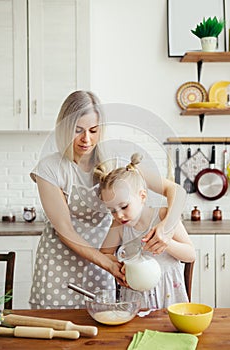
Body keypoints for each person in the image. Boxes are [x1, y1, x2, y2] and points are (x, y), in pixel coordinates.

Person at [29, 90, 187, 309]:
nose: (87, 139)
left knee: (100, 327)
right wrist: (108, 264)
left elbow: (176, 191)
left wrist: (166, 229)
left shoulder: (118, 160)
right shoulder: (50, 168)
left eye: (93, 130)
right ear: (65, 129)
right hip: (59, 264)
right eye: (78, 131)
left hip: (104, 263)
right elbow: (65, 230)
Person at [97, 153, 196, 309]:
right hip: (136, 296)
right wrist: (119, 267)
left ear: (142, 196)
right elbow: (104, 253)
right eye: (112, 210)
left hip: (169, 291)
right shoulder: (118, 226)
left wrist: (167, 243)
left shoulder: (163, 215)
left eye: (124, 206)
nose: (119, 215)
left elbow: (190, 255)